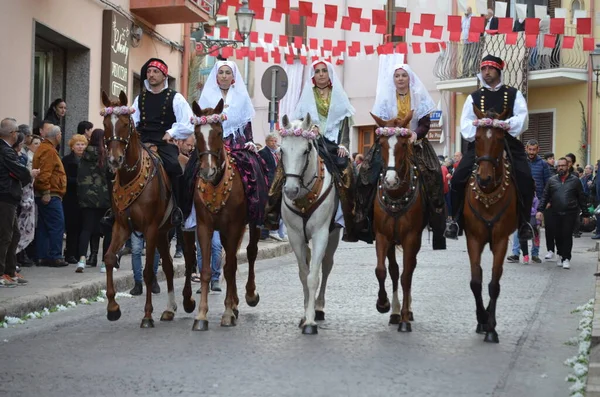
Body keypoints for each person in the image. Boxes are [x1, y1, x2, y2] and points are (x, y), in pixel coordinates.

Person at [355, 63, 447, 249]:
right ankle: (362, 217)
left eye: (403, 75)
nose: (400, 79)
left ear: (409, 78)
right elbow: (378, 126)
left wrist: (415, 134)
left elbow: (425, 123)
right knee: (365, 172)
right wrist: (387, 133)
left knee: (434, 173)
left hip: (414, 142)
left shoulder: (418, 95)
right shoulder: (385, 98)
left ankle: (438, 225)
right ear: (393, 79)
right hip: (391, 142)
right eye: (397, 76)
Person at [264, 59, 357, 242]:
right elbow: (298, 122)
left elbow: (345, 122)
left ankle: (349, 219)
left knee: (348, 173)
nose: (321, 74)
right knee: (283, 170)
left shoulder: (339, 96)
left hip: (332, 145)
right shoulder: (307, 95)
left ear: (329, 74)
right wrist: (308, 131)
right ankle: (272, 214)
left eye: (324, 71)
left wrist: (344, 145)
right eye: (317, 71)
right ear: (313, 75)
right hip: (309, 143)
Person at [445, 54, 533, 241]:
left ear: (499, 71)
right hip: (481, 143)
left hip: (506, 140)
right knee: (459, 177)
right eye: (484, 69)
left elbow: (522, 118)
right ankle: (456, 220)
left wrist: (505, 124)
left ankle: (524, 222)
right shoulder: (474, 97)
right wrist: (480, 126)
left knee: (526, 177)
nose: (486, 72)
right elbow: (466, 123)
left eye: (490, 69)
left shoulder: (513, 93)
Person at [189, 58, 269, 230]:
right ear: (216, 76)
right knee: (190, 170)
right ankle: (187, 214)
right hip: (211, 144)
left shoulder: (241, 96)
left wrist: (250, 141)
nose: (224, 76)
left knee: (255, 167)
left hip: (236, 144)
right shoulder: (207, 96)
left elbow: (246, 125)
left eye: (228, 73)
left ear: (233, 76)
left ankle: (258, 212)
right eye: (221, 72)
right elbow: (200, 124)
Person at [130, 58, 194, 226]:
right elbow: (132, 120)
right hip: (142, 140)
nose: (151, 75)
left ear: (164, 76)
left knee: (174, 166)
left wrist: (171, 132)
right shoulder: (140, 98)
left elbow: (188, 122)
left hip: (164, 142)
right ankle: (115, 209)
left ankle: (178, 210)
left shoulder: (176, 98)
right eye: (149, 72)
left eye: (155, 72)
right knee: (119, 165)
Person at [536, 157, 591, 269]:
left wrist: (585, 214)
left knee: (566, 235)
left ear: (568, 167)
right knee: (558, 235)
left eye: (563, 165)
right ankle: (560, 254)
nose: (560, 167)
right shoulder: (552, 181)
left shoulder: (575, 181)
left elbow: (581, 198)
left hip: (570, 212)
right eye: (559, 166)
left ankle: (566, 258)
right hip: (555, 212)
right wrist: (540, 210)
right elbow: (545, 196)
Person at [0, 118, 35, 286]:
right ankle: (2, 273)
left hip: (9, 196)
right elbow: (22, 172)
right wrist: (28, 173)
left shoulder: (7, 150)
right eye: (16, 132)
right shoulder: (5, 151)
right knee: (5, 236)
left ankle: (10, 270)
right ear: (12, 134)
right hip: (4, 196)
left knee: (14, 235)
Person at [506, 139, 550, 264]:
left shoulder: (543, 165)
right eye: (529, 149)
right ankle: (516, 253)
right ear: (526, 149)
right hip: (520, 199)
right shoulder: (520, 162)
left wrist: (547, 201)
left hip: (538, 201)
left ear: (538, 149)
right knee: (517, 226)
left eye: (534, 149)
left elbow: (548, 184)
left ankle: (535, 254)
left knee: (535, 228)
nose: (531, 152)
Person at [76, 129, 111, 273]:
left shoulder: (84, 155)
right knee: (108, 230)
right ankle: (105, 263)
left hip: (87, 197)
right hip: (104, 198)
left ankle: (82, 260)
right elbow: (111, 175)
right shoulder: (106, 155)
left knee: (86, 229)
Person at [33, 125, 68, 267]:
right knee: (57, 224)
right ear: (57, 136)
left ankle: (42, 256)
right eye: (60, 134)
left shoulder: (44, 148)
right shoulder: (49, 151)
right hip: (50, 193)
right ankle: (55, 256)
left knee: (44, 226)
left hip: (47, 193)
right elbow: (44, 174)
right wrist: (46, 192)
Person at [62, 134, 87, 264]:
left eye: (82, 144)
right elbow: (64, 178)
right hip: (71, 197)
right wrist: (79, 181)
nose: (80, 147)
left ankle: (80, 253)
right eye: (77, 144)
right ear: (72, 147)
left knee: (83, 226)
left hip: (85, 198)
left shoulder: (88, 160)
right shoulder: (66, 160)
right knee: (72, 227)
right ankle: (70, 253)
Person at [258, 133, 287, 241]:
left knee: (278, 207)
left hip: (278, 184)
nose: (274, 143)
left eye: (275, 141)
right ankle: (267, 232)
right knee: (269, 208)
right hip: (269, 184)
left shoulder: (277, 153)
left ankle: (279, 231)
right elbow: (264, 170)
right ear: (266, 142)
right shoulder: (262, 153)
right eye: (271, 141)